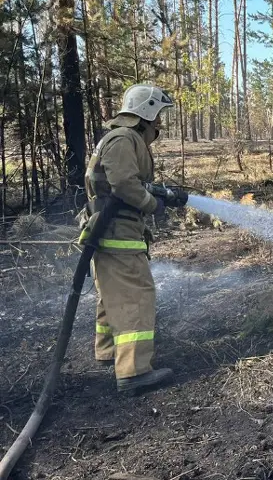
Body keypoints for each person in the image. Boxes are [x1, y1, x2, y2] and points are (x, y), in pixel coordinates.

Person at [79, 84, 186, 393]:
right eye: (158, 117)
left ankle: (110, 351)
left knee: (112, 294)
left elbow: (123, 182)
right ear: (147, 112)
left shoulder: (120, 139)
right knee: (135, 295)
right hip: (117, 234)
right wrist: (152, 204)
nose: (160, 126)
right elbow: (124, 182)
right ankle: (134, 371)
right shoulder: (125, 138)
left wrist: (158, 193)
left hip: (110, 230)